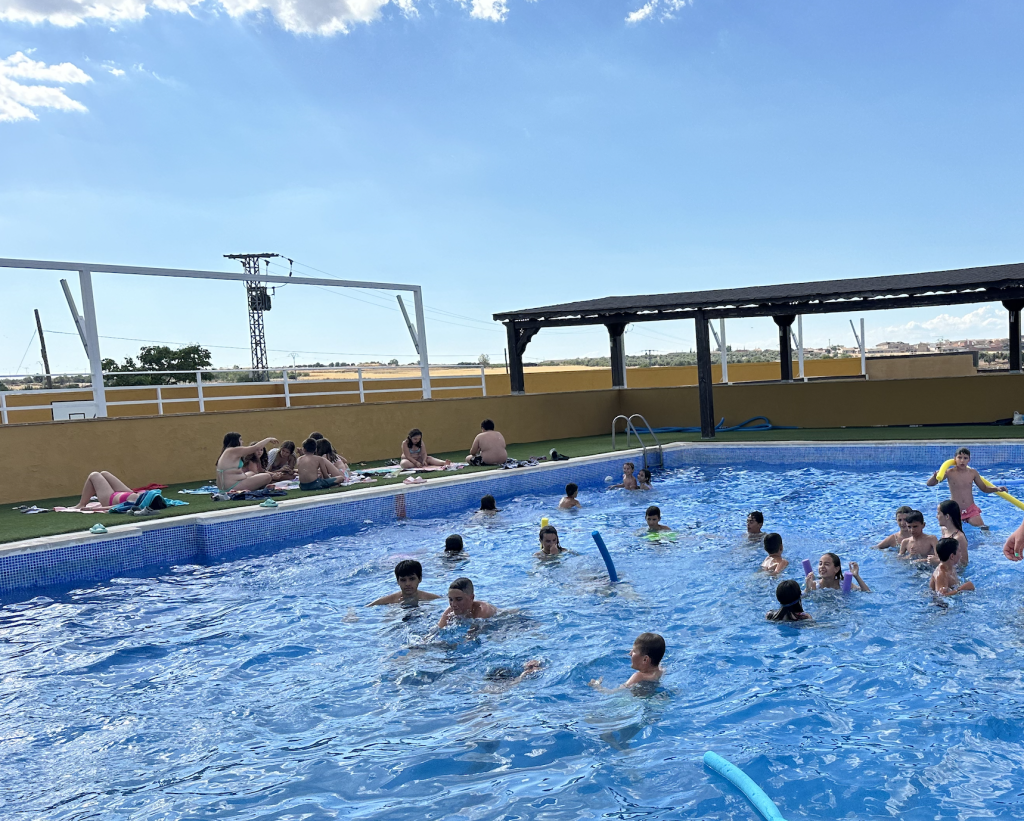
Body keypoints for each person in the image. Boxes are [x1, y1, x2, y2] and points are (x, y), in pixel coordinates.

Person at [926, 447, 1007, 528]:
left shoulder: (973, 473)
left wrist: (996, 489)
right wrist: (934, 476)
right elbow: (930, 484)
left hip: (970, 509)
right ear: (955, 459)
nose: (962, 461)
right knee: (950, 530)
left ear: (969, 460)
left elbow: (984, 488)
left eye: (965, 458)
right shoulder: (949, 473)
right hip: (955, 510)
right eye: (959, 457)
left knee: (984, 528)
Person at [588, 632, 665, 690]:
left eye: (634, 651)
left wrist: (597, 686)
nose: (630, 653)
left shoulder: (638, 676)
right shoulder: (661, 671)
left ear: (645, 659)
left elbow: (615, 692)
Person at [69, 470, 164, 511]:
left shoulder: (135, 502)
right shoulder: (140, 497)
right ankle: (82, 503)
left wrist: (92, 509)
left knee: (94, 475)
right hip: (126, 493)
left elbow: (115, 507)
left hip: (109, 499)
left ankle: (81, 504)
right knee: (104, 473)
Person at [367, 560, 442, 606]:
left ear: (420, 579)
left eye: (412, 579)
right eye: (403, 580)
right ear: (398, 581)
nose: (407, 584)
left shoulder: (433, 599)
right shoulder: (386, 601)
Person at [804, 553, 870, 592]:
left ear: (836, 569)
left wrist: (856, 576)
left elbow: (867, 592)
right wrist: (807, 589)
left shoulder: (844, 585)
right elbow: (801, 598)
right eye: (820, 564)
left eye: (826, 564)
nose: (822, 567)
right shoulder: (814, 585)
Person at [935, 499, 969, 566]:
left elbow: (963, 563)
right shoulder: (944, 530)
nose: (936, 517)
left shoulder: (959, 538)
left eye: (938, 513)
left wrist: (937, 562)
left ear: (947, 516)